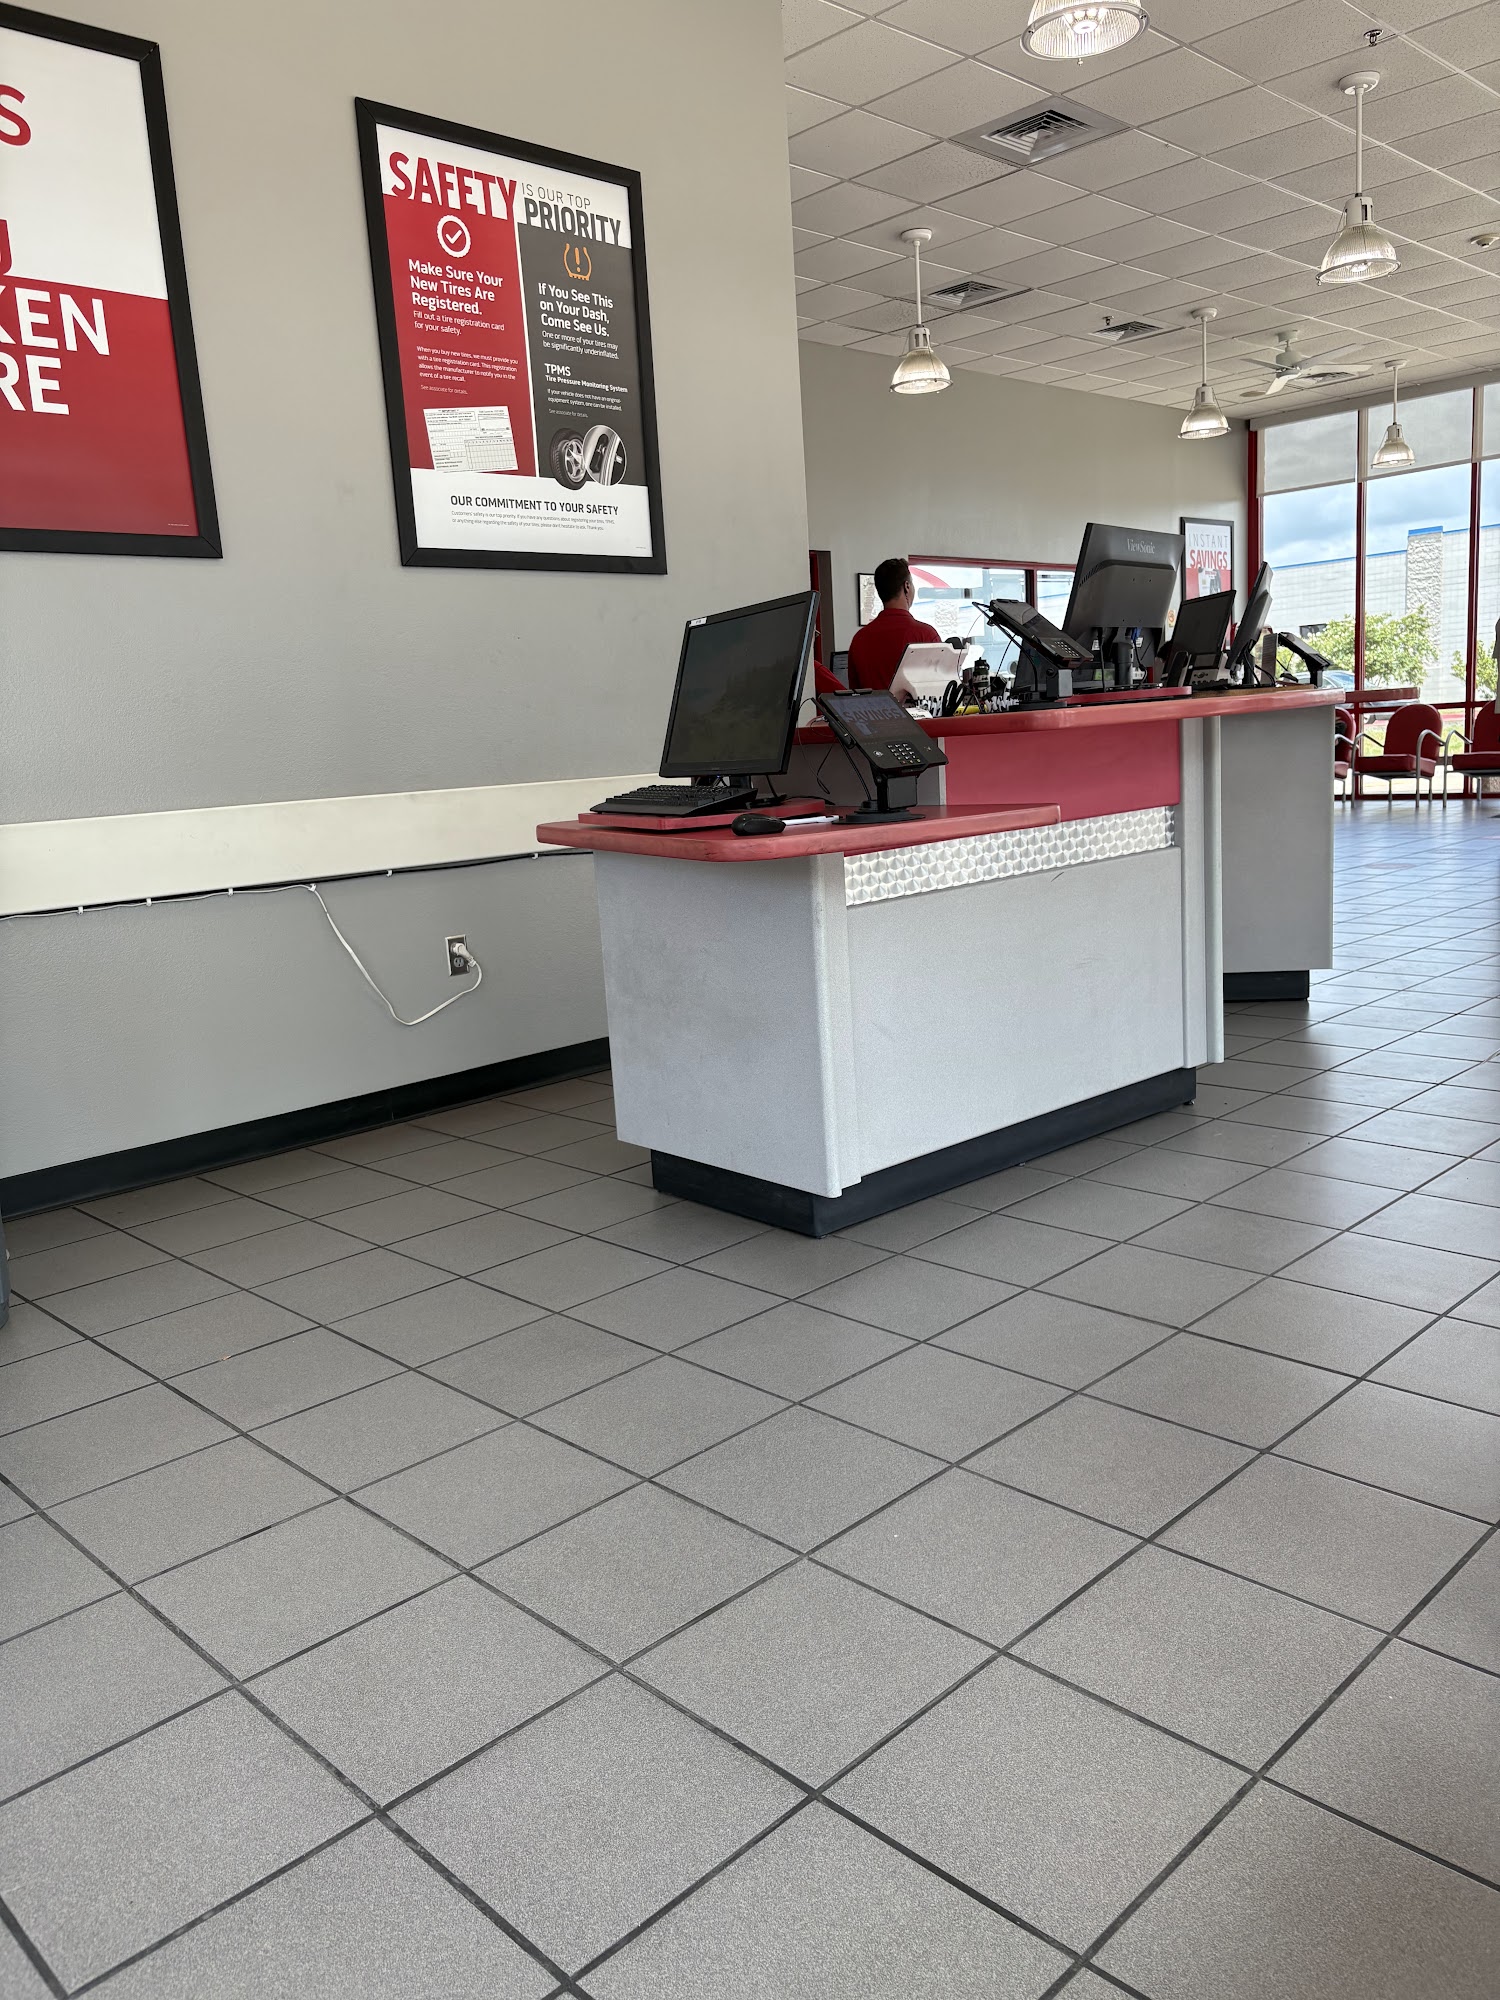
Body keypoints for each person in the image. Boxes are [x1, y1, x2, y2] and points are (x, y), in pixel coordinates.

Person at [845, 557, 941, 692]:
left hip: (872, 707)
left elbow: (855, 694)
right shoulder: (926, 635)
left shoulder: (859, 639)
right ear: (907, 587)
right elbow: (940, 690)